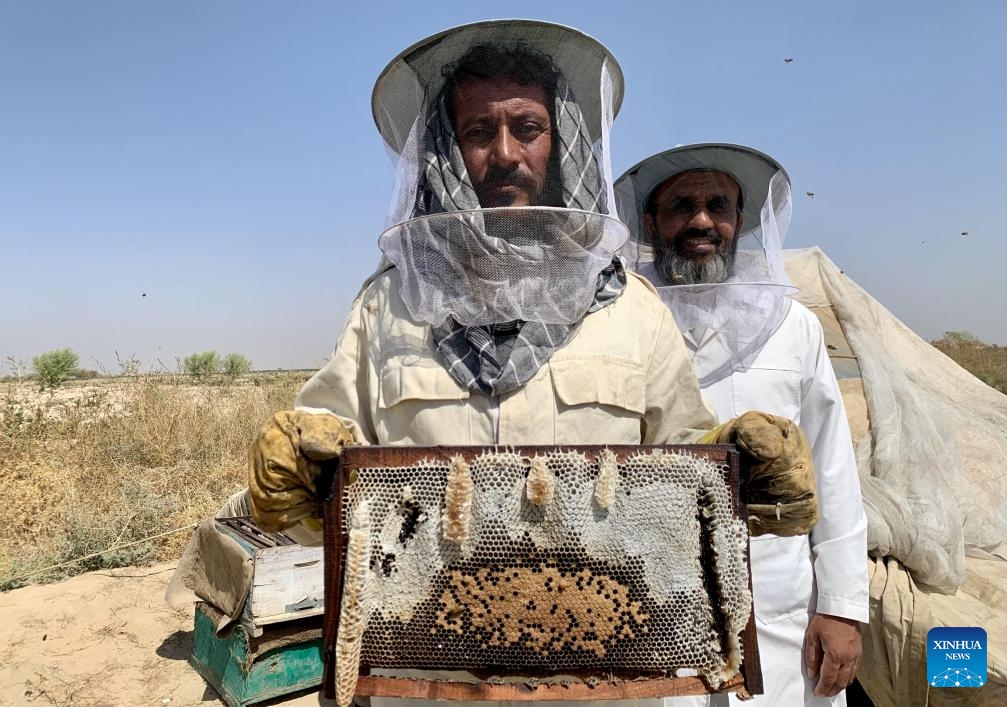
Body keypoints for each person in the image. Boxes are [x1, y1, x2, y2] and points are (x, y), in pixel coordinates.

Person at [245, 23, 818, 707]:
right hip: (424, 684)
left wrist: (747, 476)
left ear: (563, 141)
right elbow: (329, 494)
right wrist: (295, 480)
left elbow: (688, 468)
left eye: (527, 126)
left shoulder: (630, 306)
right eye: (479, 131)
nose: (505, 152)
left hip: (603, 680)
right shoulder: (388, 306)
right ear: (445, 151)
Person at [615, 144, 869, 707]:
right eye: (682, 205)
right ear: (651, 222)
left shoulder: (792, 327)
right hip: (652, 608)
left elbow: (833, 470)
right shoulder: (615, 325)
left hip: (781, 613)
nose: (701, 220)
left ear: (740, 220)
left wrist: (842, 608)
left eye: (718, 204)